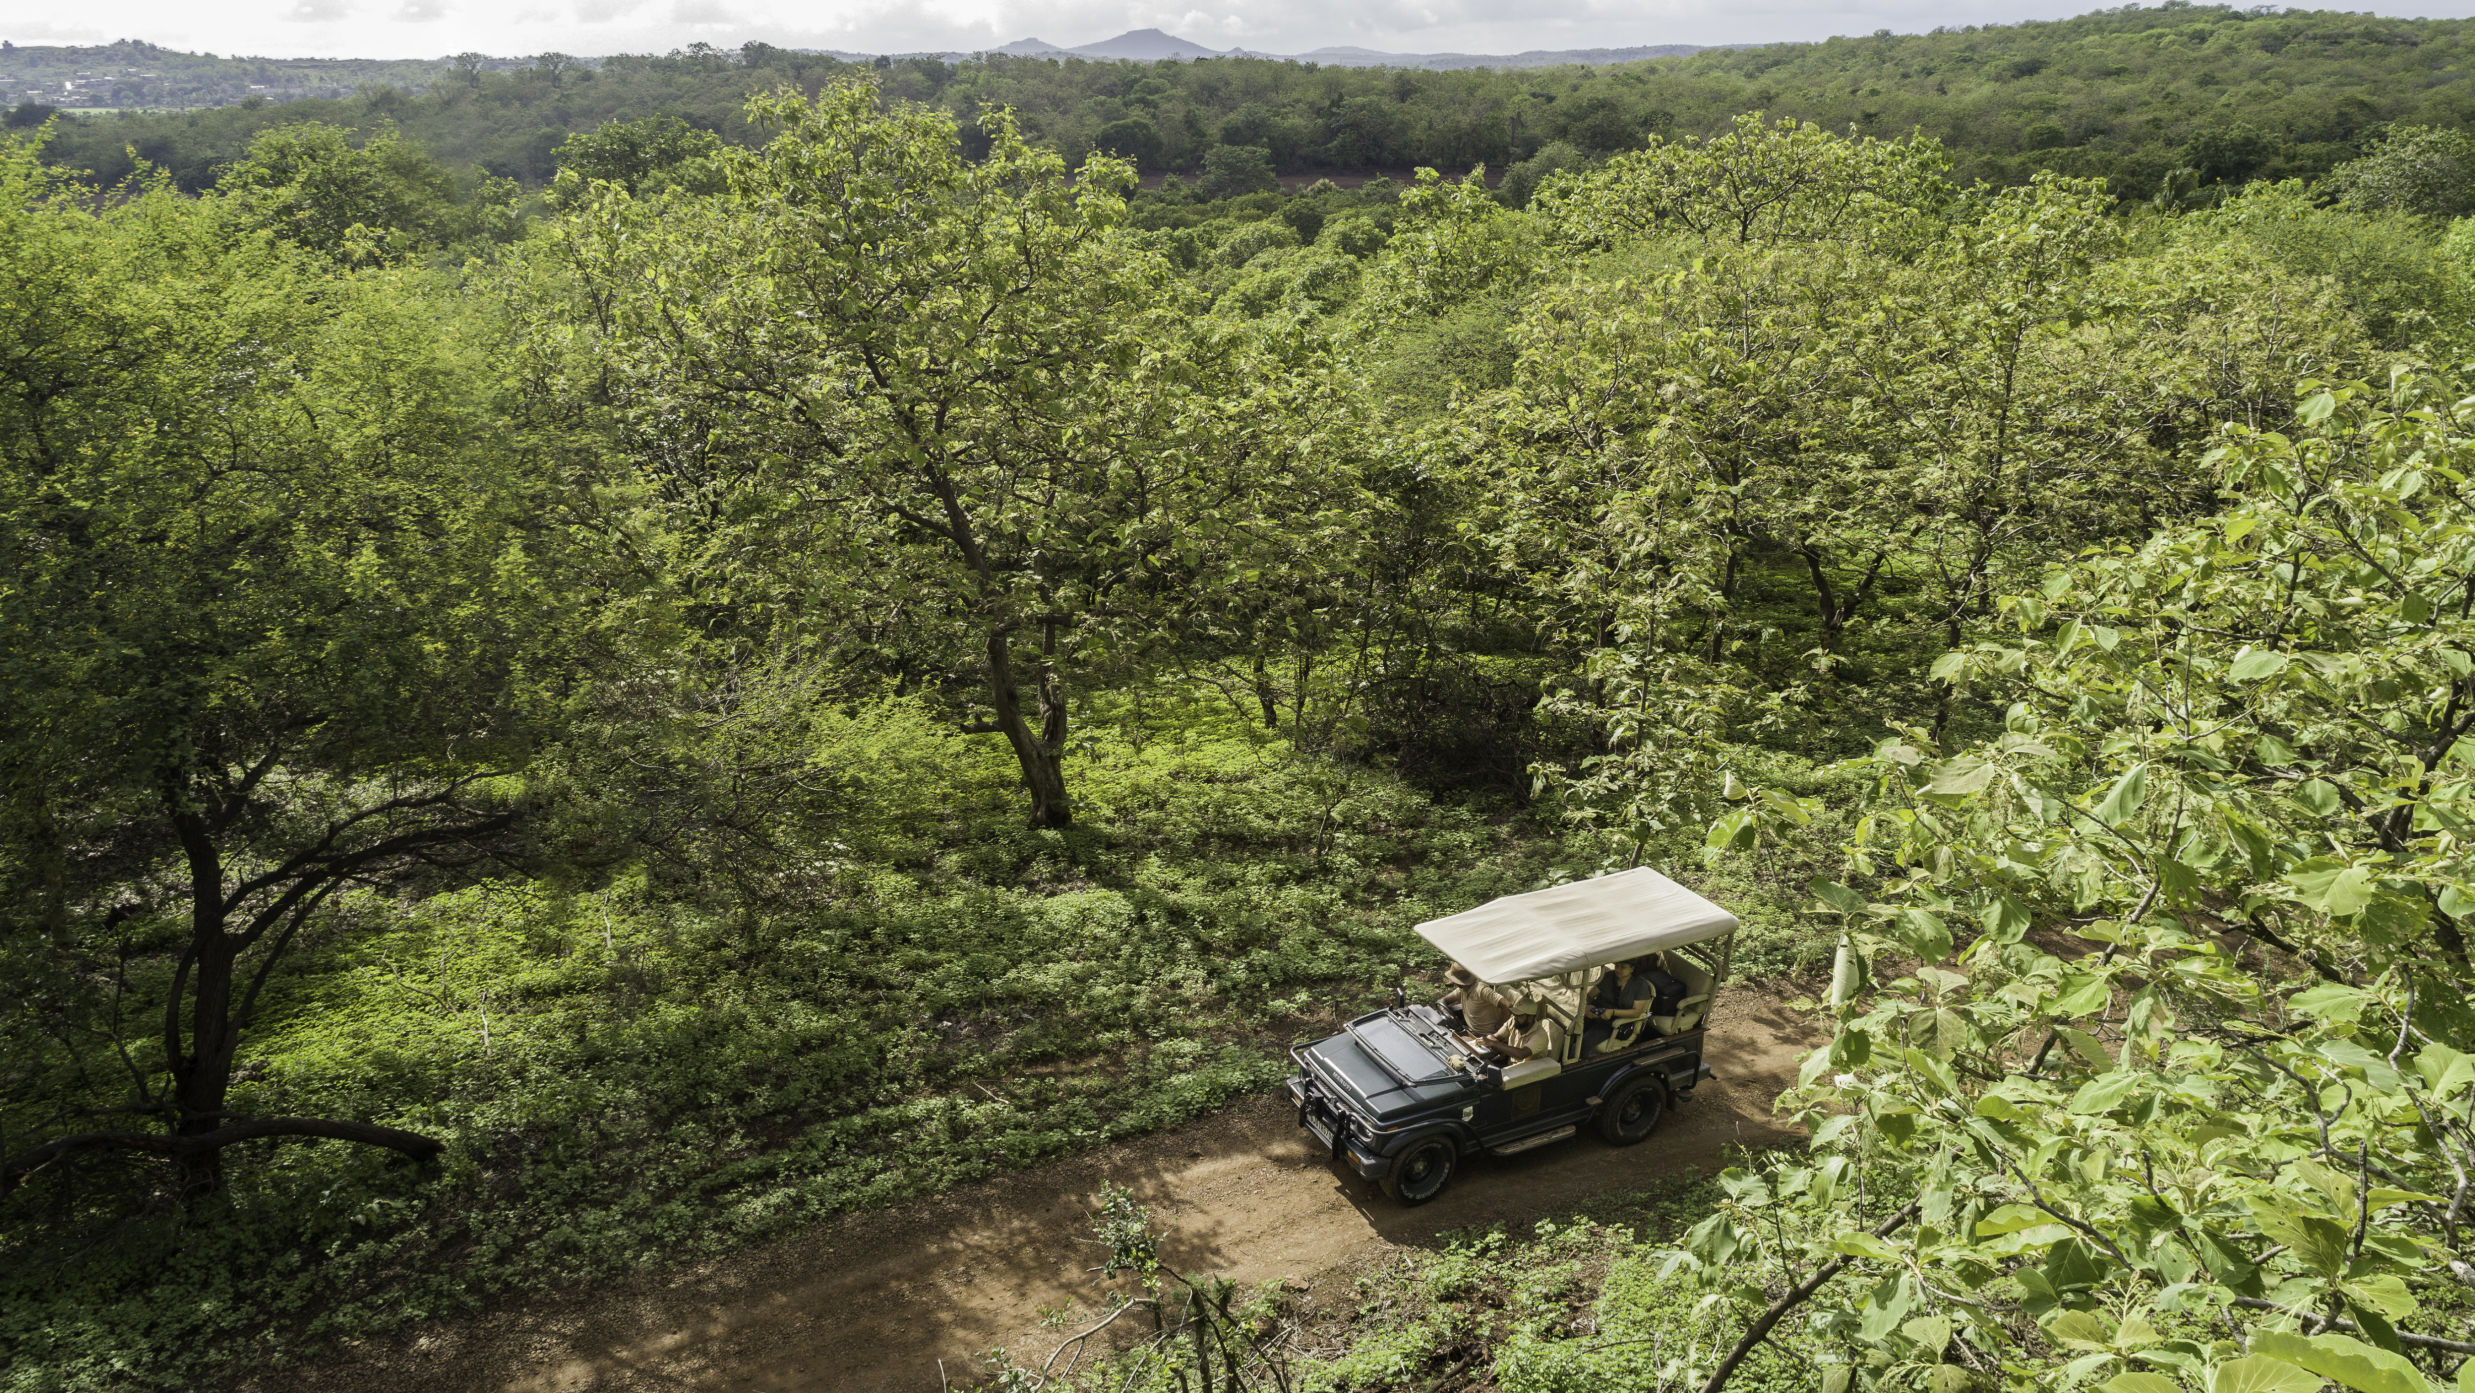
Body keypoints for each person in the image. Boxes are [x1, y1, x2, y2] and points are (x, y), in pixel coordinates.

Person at [1581, 955, 1656, 1053]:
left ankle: (1574, 1064)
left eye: (1623, 967)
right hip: (1596, 1013)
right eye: (1617, 966)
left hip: (1614, 1023)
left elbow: (1636, 1012)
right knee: (1571, 1032)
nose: (1618, 970)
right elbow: (1590, 995)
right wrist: (1588, 1006)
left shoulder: (1640, 985)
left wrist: (1612, 1012)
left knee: (1584, 1042)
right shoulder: (1608, 976)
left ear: (1632, 969)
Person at [1442, 962, 1513, 1037]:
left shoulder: (1481, 990)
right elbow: (1443, 1000)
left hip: (1487, 1036)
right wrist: (1447, 1014)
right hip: (1471, 1031)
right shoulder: (1462, 989)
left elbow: (1507, 1006)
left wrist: (1500, 1026)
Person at [1487, 999, 1554, 1063]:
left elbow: (1521, 1054)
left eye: (1519, 1015)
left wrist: (1495, 1044)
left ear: (1530, 1018)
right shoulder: (1513, 1021)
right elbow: (1493, 1037)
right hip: (1511, 1067)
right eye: (1514, 1013)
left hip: (1528, 1072)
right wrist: (1503, 1050)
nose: (1515, 1016)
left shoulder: (1540, 1036)